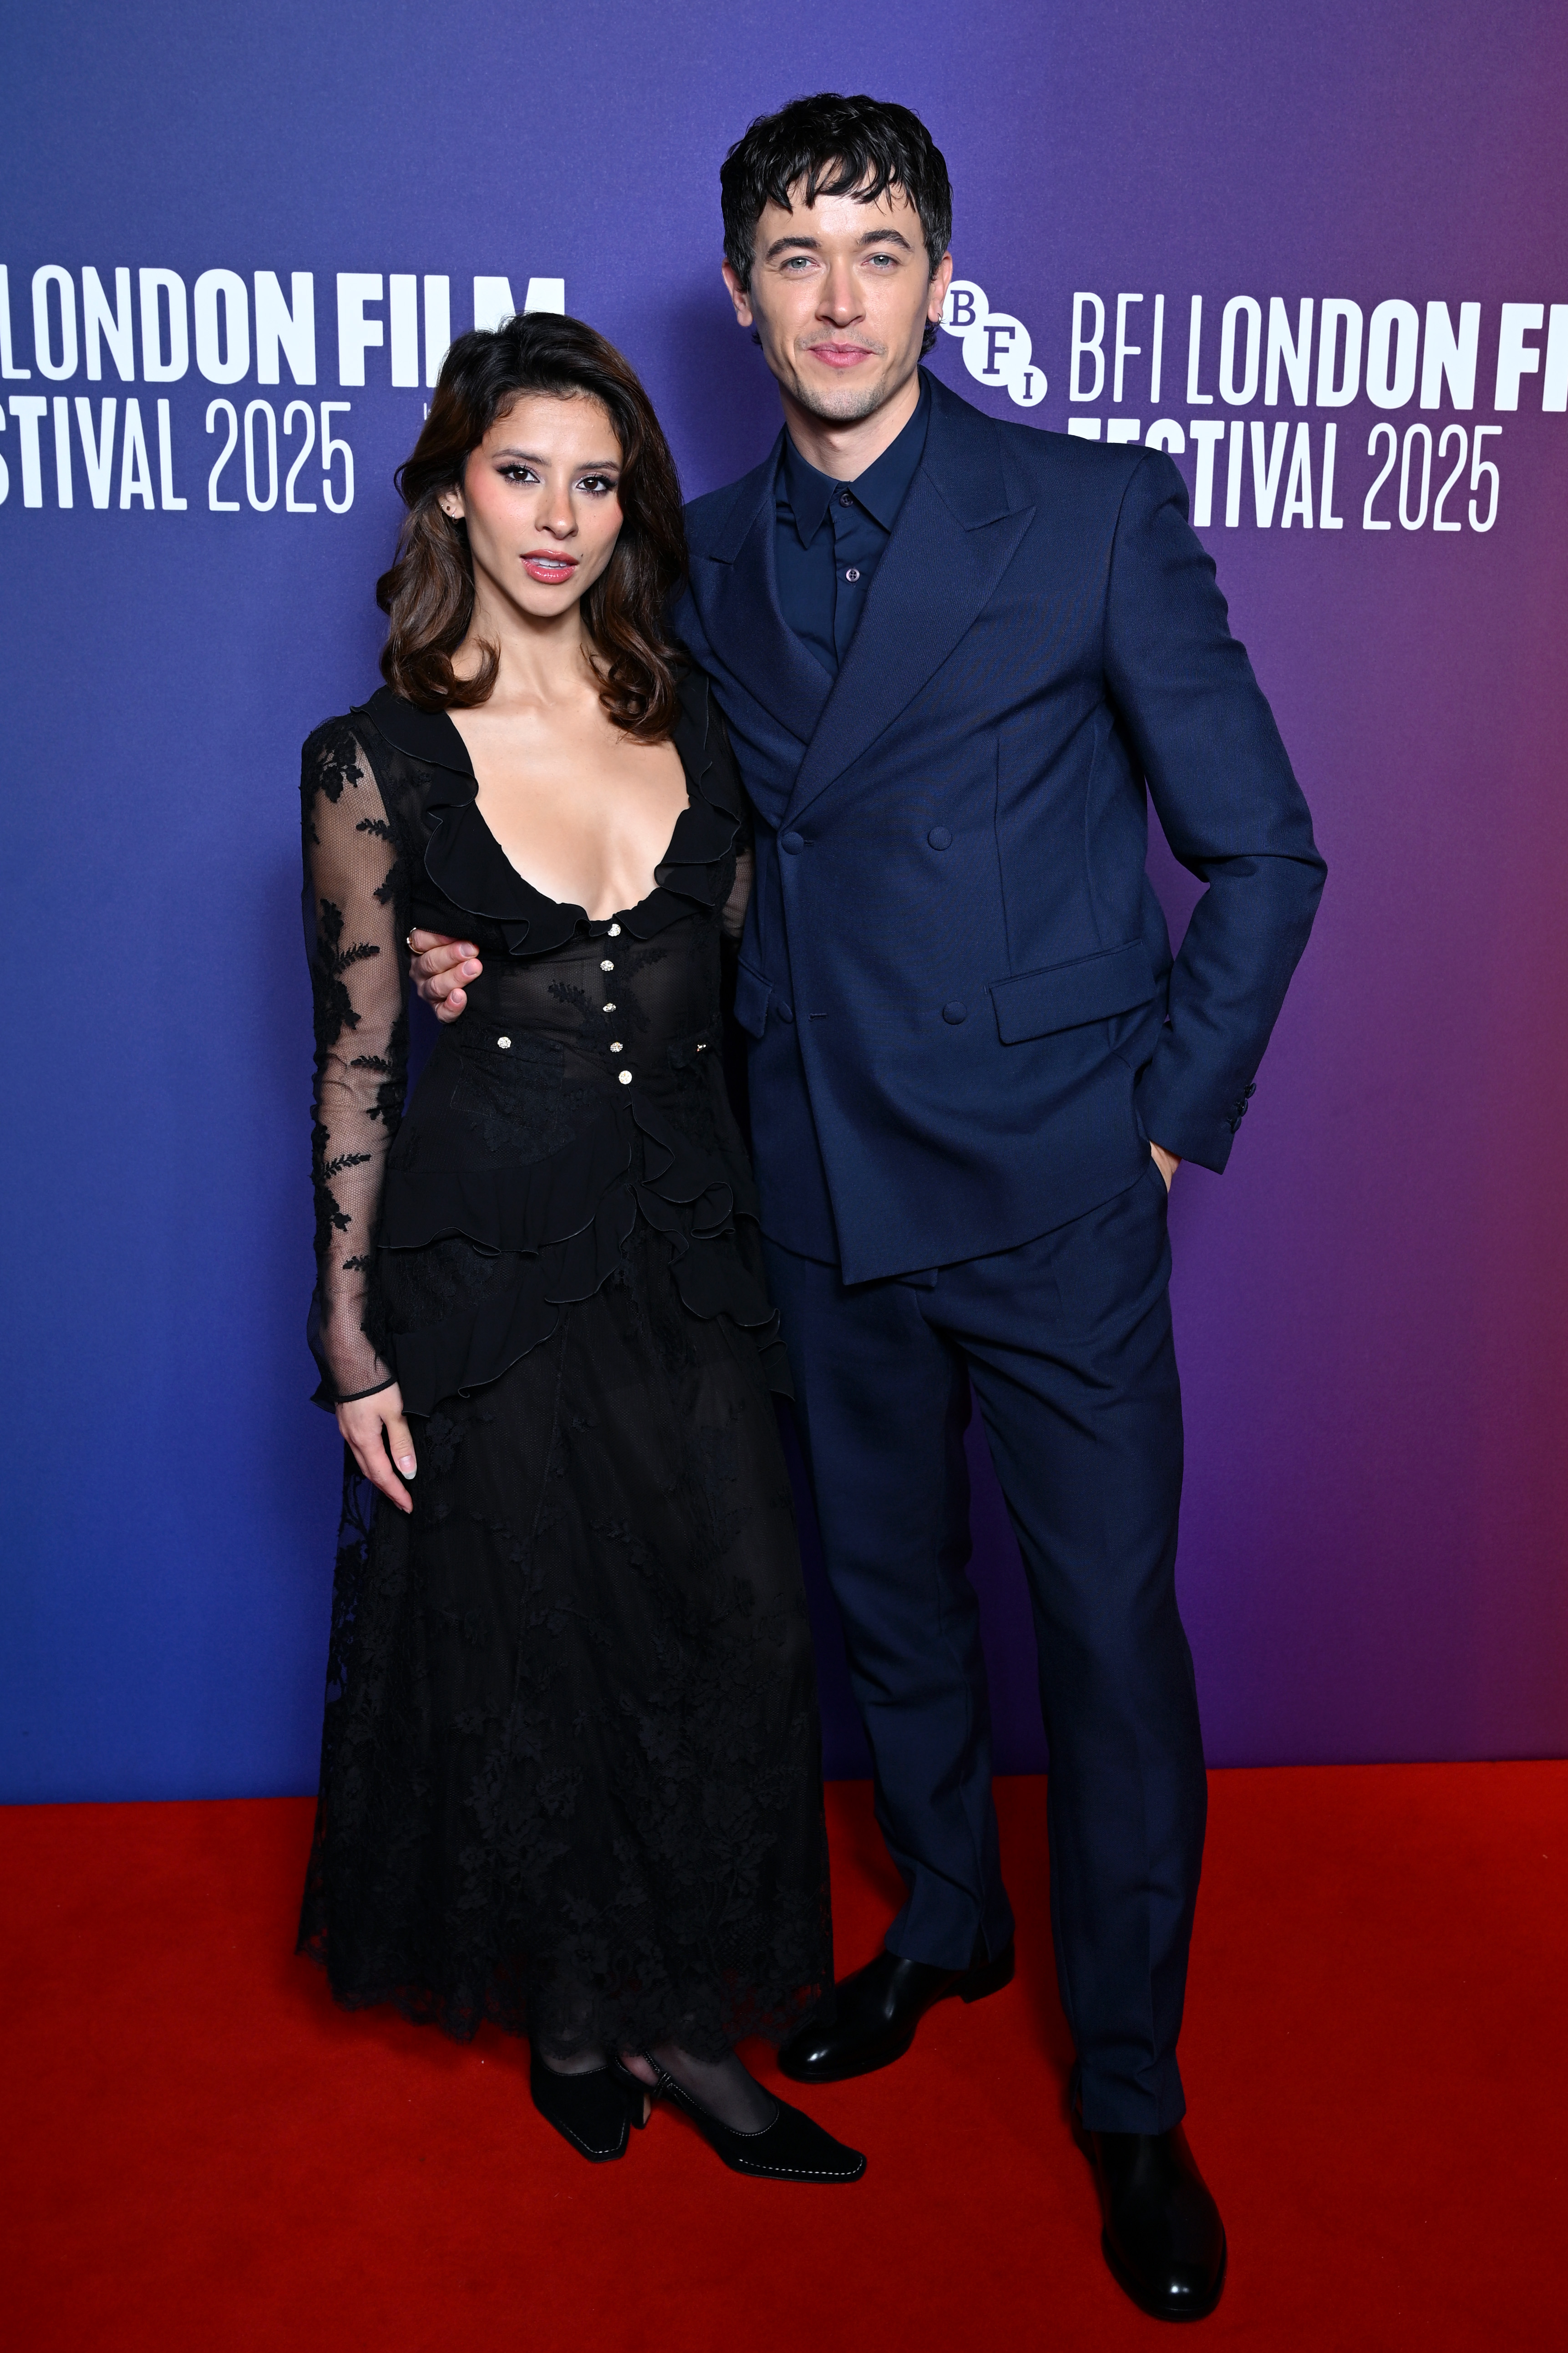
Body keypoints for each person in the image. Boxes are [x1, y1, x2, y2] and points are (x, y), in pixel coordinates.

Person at [412, 96, 1325, 2316]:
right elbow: (632, 828)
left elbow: (1267, 853)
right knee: (895, 1619)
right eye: (795, 256)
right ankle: (944, 1923)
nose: (836, 296)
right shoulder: (690, 555)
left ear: (941, 279)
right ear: (737, 296)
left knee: (1103, 1649)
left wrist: (1157, 1122)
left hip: (1050, 1196)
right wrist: (480, 943)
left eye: (879, 249)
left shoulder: (1091, 512)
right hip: (805, 1184)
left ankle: (1126, 2091)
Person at [296, 311, 864, 2186]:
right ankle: (573, 2018)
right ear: (458, 484)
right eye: (521, 470)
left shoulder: (691, 711)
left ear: (632, 508)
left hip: (695, 1253)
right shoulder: (370, 757)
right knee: (533, 1643)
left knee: (732, 1631)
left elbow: (772, 979)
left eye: (598, 480)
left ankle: (690, 2029)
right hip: (482, 1266)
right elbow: (363, 1054)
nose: (558, 517)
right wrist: (351, 1341)